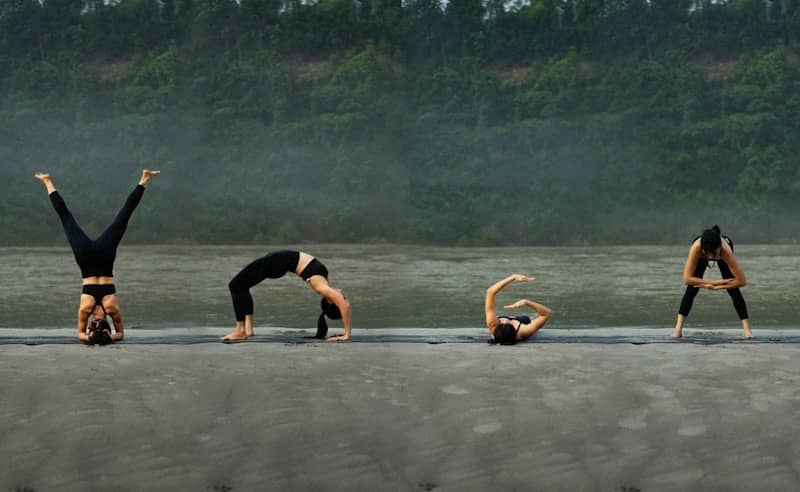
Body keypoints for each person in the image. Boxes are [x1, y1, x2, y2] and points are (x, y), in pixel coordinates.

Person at [35, 169, 160, 343]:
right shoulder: (98, 309)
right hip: (95, 258)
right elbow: (96, 334)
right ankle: (47, 182)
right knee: (112, 219)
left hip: (95, 258)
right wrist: (98, 337)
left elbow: (106, 334)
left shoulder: (100, 308)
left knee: (115, 217)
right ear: (98, 326)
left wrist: (98, 337)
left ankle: (144, 179)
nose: (93, 324)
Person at [222, 250, 352, 342]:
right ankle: (248, 329)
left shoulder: (322, 288)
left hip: (276, 263)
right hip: (277, 262)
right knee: (242, 286)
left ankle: (240, 330)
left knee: (235, 285)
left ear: (332, 301)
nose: (344, 295)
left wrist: (346, 335)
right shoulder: (325, 282)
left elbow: (344, 306)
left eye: (343, 297)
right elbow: (342, 305)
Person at [671, 225, 753, 339]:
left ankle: (747, 330)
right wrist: (714, 283)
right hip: (701, 252)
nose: (712, 257)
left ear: (719, 248)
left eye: (715, 252)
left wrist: (720, 286)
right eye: (709, 254)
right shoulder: (696, 248)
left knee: (733, 290)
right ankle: (678, 329)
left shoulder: (725, 250)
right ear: (704, 250)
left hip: (722, 249)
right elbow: (687, 279)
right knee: (691, 289)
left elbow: (742, 281)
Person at [485, 274, 551, 345]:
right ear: (514, 332)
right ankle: (529, 318)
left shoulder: (492, 325)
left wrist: (513, 277)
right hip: (523, 320)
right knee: (528, 318)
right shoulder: (523, 331)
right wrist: (527, 302)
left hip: (505, 330)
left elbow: (490, 292)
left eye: (501, 324)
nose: (504, 321)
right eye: (507, 323)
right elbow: (546, 313)